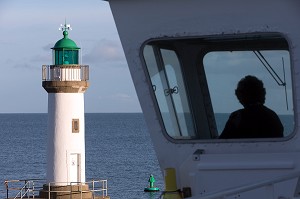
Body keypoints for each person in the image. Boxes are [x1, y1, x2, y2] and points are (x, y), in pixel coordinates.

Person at [219, 75, 284, 139]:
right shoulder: (273, 116)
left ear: (240, 95)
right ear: (262, 93)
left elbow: (222, 142)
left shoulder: (237, 117)